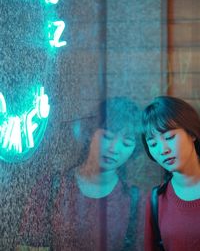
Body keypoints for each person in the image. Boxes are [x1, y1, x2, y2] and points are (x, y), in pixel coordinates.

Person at [17, 96, 143, 251]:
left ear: (134, 150)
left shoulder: (133, 198)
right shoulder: (52, 187)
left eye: (127, 143)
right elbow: (27, 246)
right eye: (107, 136)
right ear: (91, 133)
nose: (114, 148)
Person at [142, 95, 200, 251]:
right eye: (153, 144)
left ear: (192, 134)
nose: (163, 150)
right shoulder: (157, 200)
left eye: (169, 137)